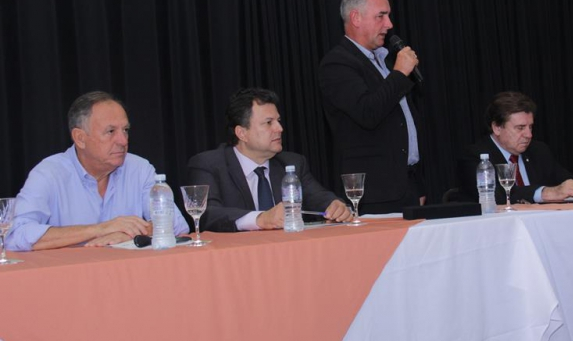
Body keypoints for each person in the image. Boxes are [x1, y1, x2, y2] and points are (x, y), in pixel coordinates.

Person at [6, 91, 189, 251]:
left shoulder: (139, 169)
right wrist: (99, 229)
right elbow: (15, 234)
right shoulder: (48, 174)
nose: (123, 141)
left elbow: (178, 225)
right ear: (80, 138)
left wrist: (131, 233)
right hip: (68, 275)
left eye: (125, 130)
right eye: (111, 131)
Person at [318, 0, 424, 214]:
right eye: (381, 16)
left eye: (388, 16)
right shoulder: (337, 64)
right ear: (356, 18)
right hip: (375, 192)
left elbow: (404, 122)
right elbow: (368, 113)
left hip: (407, 184)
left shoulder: (385, 60)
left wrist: (418, 183)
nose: (389, 24)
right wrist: (399, 74)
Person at [186, 88, 352, 232]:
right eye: (268, 123)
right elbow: (207, 214)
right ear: (242, 133)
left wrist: (335, 205)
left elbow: (319, 197)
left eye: (278, 121)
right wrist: (260, 219)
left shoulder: (292, 163)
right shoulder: (208, 164)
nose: (280, 128)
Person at [457, 91, 573, 204]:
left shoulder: (538, 151)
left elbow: (564, 179)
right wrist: (545, 193)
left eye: (530, 127)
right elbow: (494, 195)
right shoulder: (474, 156)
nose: (529, 135)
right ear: (497, 128)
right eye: (520, 128)